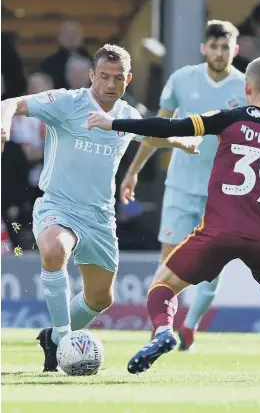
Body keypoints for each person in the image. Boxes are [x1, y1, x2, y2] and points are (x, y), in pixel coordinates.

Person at [88, 56, 260, 380]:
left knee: (163, 286)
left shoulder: (230, 118)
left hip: (219, 232)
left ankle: (164, 331)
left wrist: (113, 123)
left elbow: (169, 127)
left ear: (247, 87)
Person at [1, 44, 201, 373]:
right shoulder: (66, 102)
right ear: (92, 76)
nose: (110, 84)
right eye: (104, 76)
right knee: (53, 248)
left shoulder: (127, 115)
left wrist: (182, 142)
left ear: (128, 79)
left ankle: (53, 336)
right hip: (58, 205)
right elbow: (10, 102)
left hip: (100, 217)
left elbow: (152, 135)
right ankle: (63, 340)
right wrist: (5, 122)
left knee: (100, 299)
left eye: (118, 78)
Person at [120, 20, 246, 351]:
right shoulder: (182, 79)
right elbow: (157, 128)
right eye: (214, 46)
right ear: (204, 48)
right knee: (168, 262)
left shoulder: (246, 87)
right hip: (179, 186)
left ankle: (189, 329)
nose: (219, 53)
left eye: (225, 47)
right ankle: (160, 331)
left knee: (210, 270)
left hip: (222, 192)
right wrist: (133, 171)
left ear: (236, 50)